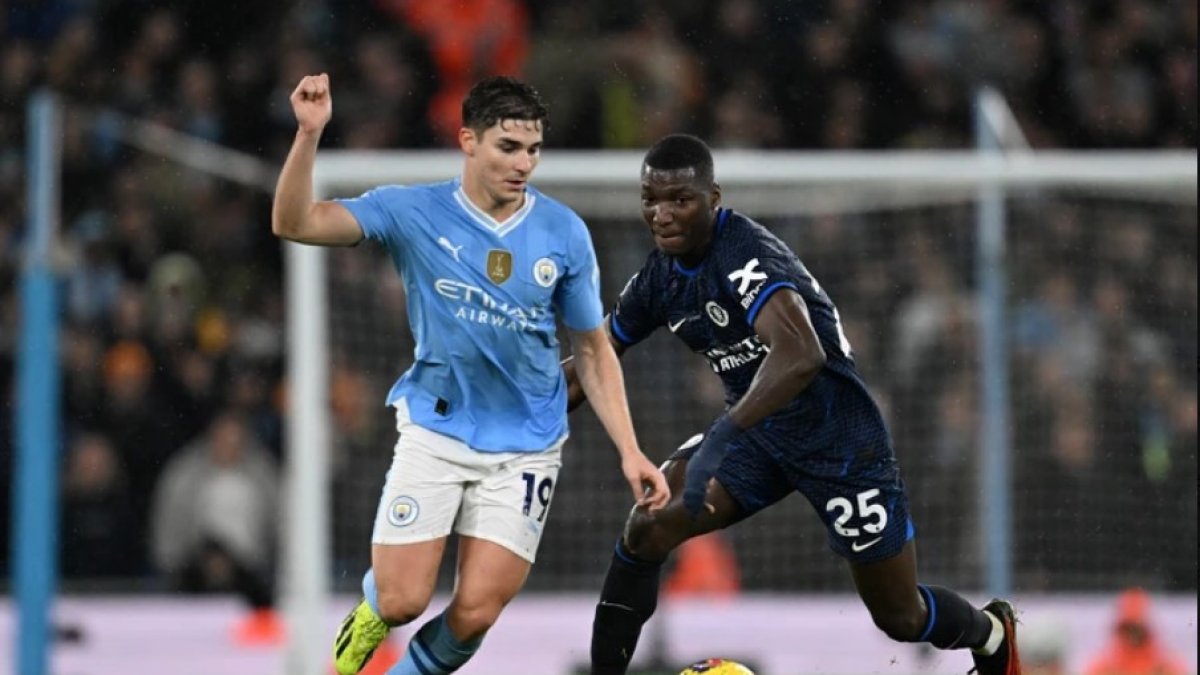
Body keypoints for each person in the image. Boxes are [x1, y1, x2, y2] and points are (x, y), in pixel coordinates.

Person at [564, 134, 1021, 675]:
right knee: (649, 526)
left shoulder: (746, 253)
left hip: (841, 442)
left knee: (899, 615)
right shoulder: (658, 278)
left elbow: (800, 353)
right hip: (759, 438)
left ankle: (991, 633)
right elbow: (597, 358)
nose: (661, 215)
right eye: (650, 200)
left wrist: (724, 432)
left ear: (713, 198)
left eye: (679, 200)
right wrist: (520, 414)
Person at [272, 73, 670, 675]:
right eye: (509, 148)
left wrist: (630, 450)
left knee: (477, 611)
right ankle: (374, 607)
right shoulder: (411, 211)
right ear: (468, 140)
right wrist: (308, 135)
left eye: (533, 150)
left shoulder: (563, 233)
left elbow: (591, 350)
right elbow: (295, 223)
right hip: (437, 430)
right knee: (405, 600)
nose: (524, 164)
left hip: (529, 444)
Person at [1084, 588, 1187, 675]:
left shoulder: (1166, 666)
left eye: (1136, 627)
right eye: (1128, 627)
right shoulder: (1104, 667)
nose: (1132, 634)